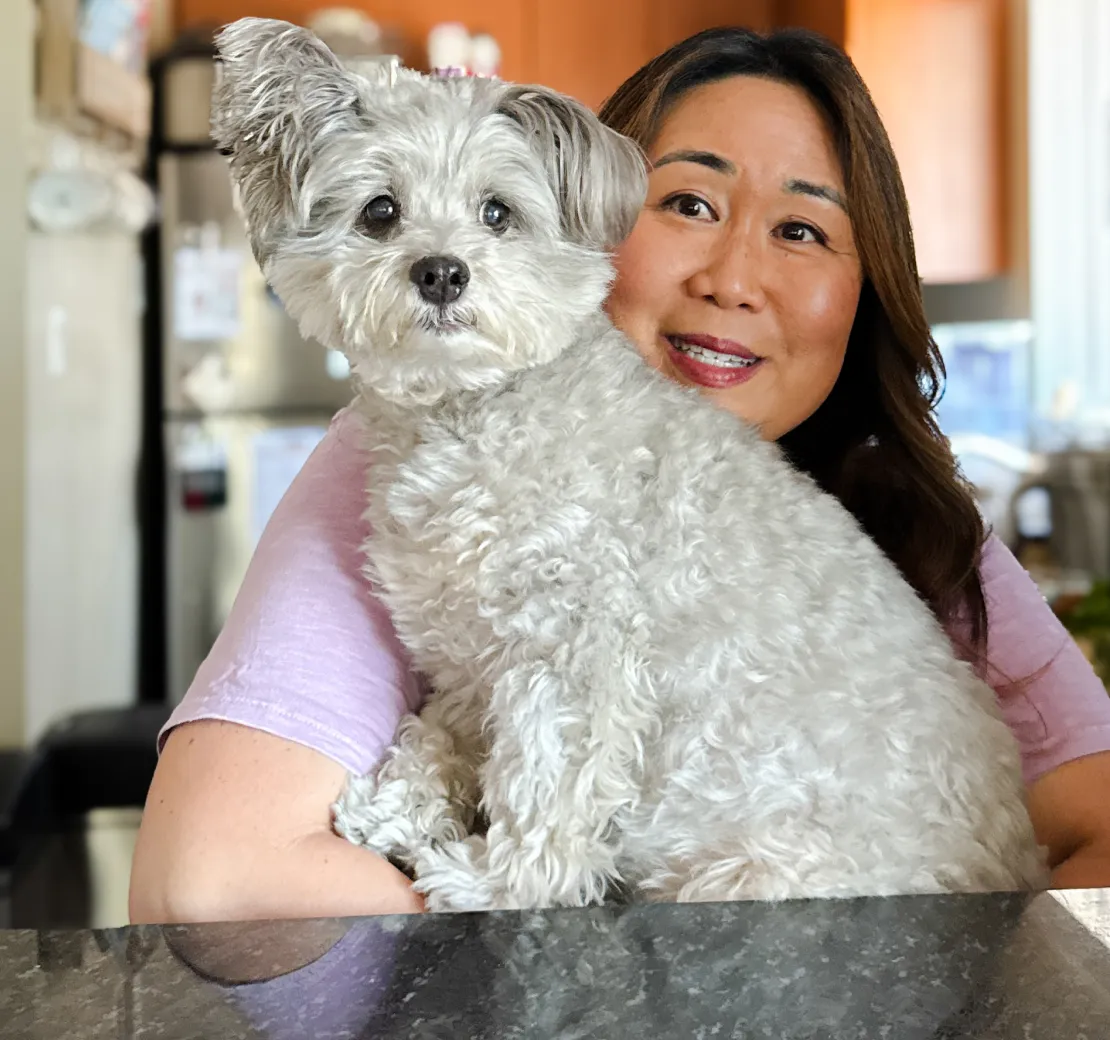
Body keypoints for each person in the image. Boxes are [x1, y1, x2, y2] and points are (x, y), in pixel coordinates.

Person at [129, 27, 1110, 925]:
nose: (733, 276)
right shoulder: (405, 439)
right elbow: (207, 878)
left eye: (802, 229)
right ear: (595, 218)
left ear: (868, 283)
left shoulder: (915, 512)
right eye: (688, 202)